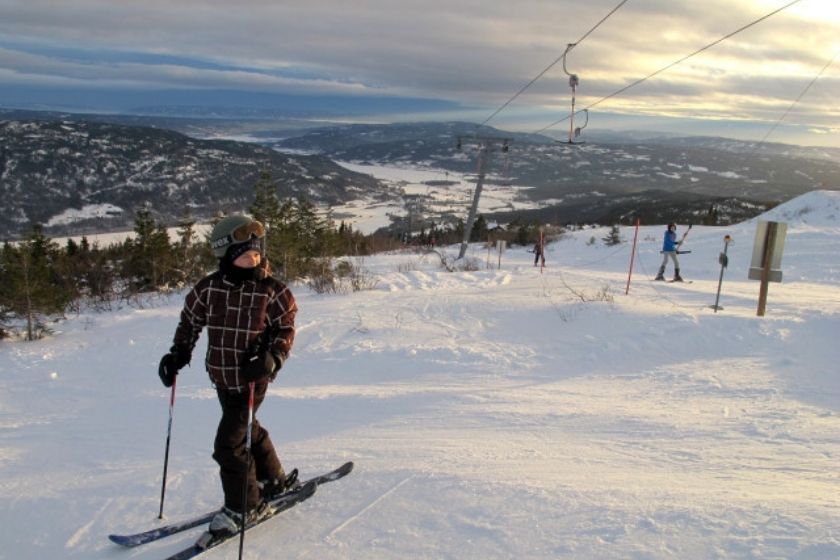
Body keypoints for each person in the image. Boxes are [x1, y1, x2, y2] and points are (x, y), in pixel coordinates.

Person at [158, 215, 299, 538]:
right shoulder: (209, 288)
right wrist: (178, 354)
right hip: (221, 377)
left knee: (228, 445)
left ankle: (245, 506)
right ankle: (272, 478)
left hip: (252, 380)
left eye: (257, 252)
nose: (254, 258)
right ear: (225, 254)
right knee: (248, 428)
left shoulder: (272, 291)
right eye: (245, 252)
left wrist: (273, 358)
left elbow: (285, 329)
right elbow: (190, 321)